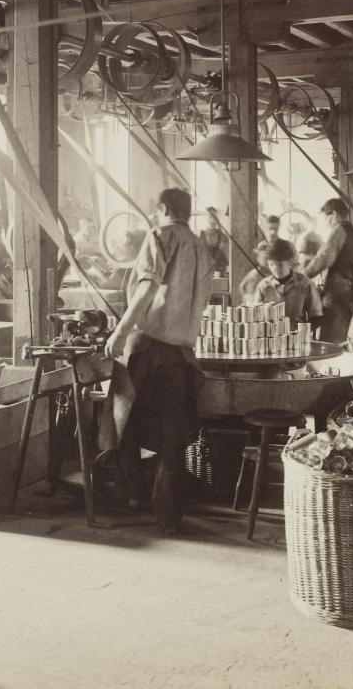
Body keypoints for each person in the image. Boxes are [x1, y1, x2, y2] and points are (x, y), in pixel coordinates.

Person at [101, 187, 213, 534]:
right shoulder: (202, 248)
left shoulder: (160, 235)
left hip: (148, 346)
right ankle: (168, 515)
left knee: (122, 417)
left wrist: (119, 331)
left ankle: (129, 495)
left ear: (163, 208)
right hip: (181, 353)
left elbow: (147, 286)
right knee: (171, 434)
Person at [303, 198, 353, 343]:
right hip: (352, 295)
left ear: (334, 214)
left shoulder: (339, 230)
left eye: (326, 218)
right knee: (348, 340)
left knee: (331, 341)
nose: (326, 223)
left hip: (336, 295)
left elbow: (324, 257)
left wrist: (303, 275)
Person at [254, 238, 322, 331]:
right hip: (270, 337)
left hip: (297, 337)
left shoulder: (306, 285)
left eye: (280, 265)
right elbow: (255, 315)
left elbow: (316, 317)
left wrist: (301, 332)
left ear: (290, 263)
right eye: (271, 264)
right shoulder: (263, 286)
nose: (275, 269)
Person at [199, 207, 229, 276]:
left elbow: (228, 257)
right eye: (210, 216)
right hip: (204, 272)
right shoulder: (200, 236)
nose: (212, 219)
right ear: (206, 218)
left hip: (219, 273)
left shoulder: (222, 236)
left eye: (214, 216)